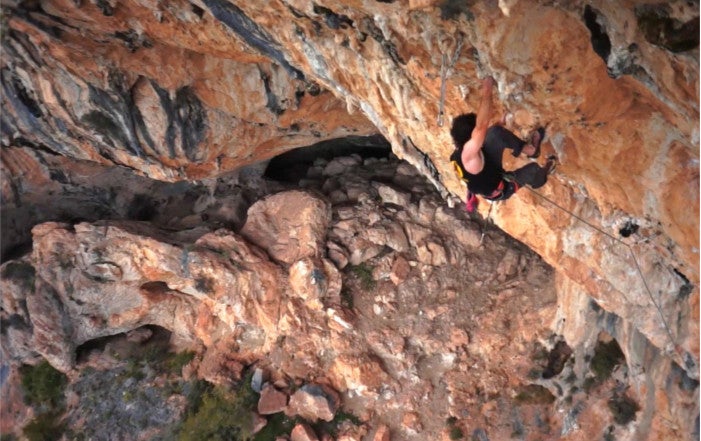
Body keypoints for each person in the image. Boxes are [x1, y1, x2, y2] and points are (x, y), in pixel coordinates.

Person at [449, 76, 555, 212]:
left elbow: (483, 133)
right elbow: (481, 127)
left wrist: (498, 124)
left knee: (496, 133)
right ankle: (541, 177)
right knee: (533, 169)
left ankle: (532, 150)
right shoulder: (468, 155)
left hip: (487, 171)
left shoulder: (462, 148)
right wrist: (487, 89)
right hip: (501, 188)